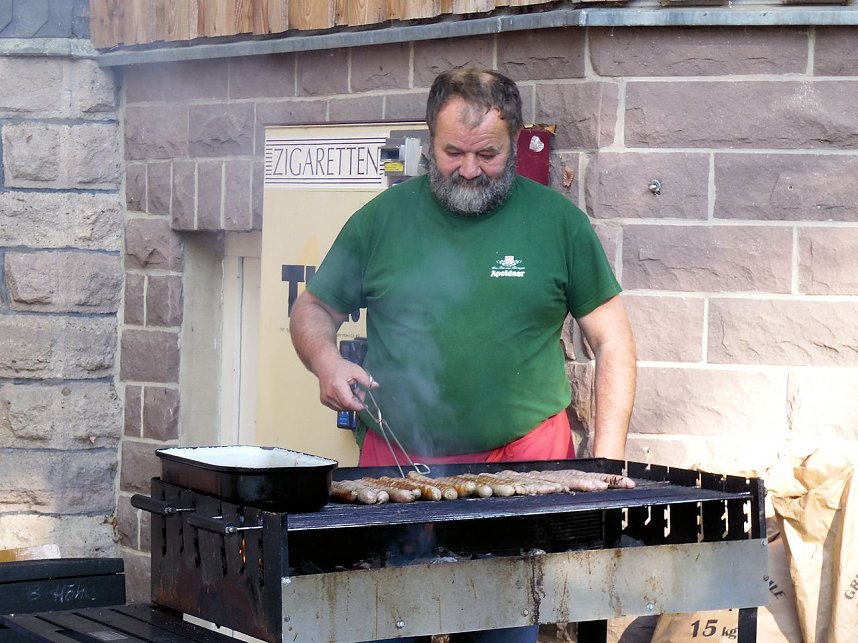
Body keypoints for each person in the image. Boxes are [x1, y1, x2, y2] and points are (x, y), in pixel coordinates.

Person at [289, 68, 637, 642]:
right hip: (398, 473)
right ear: (430, 141)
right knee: (384, 625)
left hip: (524, 472)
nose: (469, 169)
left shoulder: (559, 224)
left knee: (503, 630)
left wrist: (604, 463)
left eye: (488, 154)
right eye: (453, 152)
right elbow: (314, 311)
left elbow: (614, 341)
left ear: (517, 142)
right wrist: (326, 362)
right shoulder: (381, 220)